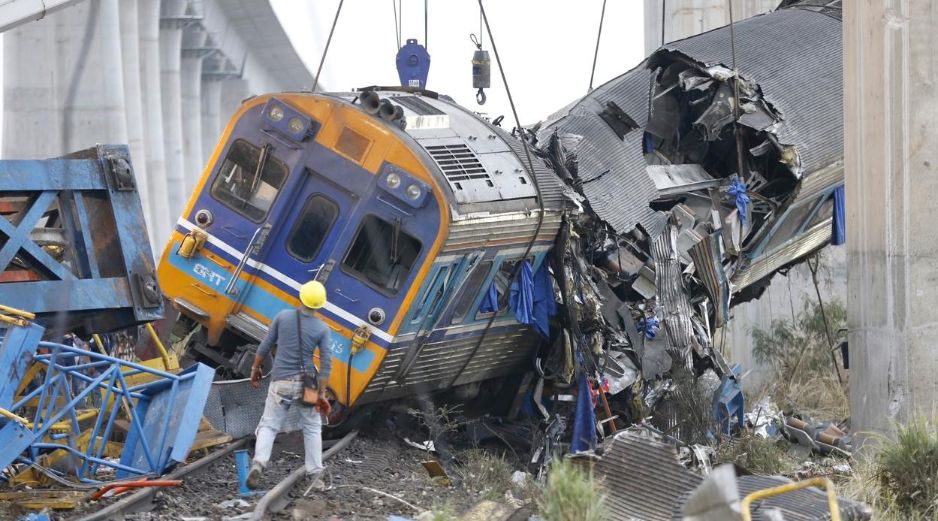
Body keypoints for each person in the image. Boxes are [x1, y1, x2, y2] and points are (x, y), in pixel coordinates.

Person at [247, 280, 332, 490]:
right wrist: (321, 394)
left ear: (301, 297)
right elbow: (326, 365)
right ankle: (315, 475)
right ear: (320, 304)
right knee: (312, 427)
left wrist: (255, 368)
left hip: (281, 380)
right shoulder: (322, 329)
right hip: (308, 385)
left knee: (269, 425)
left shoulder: (283, 317)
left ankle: (258, 464)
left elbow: (265, 345)